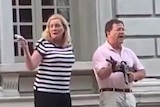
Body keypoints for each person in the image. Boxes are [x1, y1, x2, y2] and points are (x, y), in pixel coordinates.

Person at [17, 14, 75, 107]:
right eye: (51, 26)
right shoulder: (44, 44)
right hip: (45, 92)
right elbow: (31, 66)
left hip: (63, 91)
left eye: (57, 26)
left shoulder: (69, 46)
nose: (54, 28)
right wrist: (26, 49)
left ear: (64, 28)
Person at [92, 19, 146, 107]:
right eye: (118, 30)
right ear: (108, 33)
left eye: (123, 30)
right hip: (111, 95)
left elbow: (142, 72)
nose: (121, 32)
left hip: (128, 96)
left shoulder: (128, 52)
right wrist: (111, 68)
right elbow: (101, 74)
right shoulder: (101, 52)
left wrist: (134, 76)